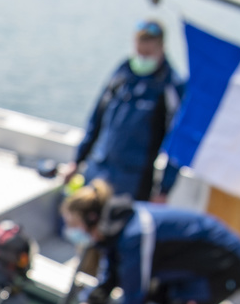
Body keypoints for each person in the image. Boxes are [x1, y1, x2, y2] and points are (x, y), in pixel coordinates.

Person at [61, 179, 240, 304]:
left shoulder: (134, 236)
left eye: (74, 224)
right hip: (185, 260)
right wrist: (88, 303)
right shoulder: (115, 226)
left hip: (224, 265)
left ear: (91, 219)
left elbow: (135, 294)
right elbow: (111, 274)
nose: (71, 231)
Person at [71, 18, 185, 204]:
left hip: (134, 178)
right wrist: (78, 159)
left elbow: (177, 143)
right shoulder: (122, 73)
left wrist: (165, 189)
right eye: (139, 50)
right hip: (98, 167)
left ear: (161, 47)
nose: (142, 56)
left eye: (148, 52)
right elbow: (96, 118)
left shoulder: (171, 85)